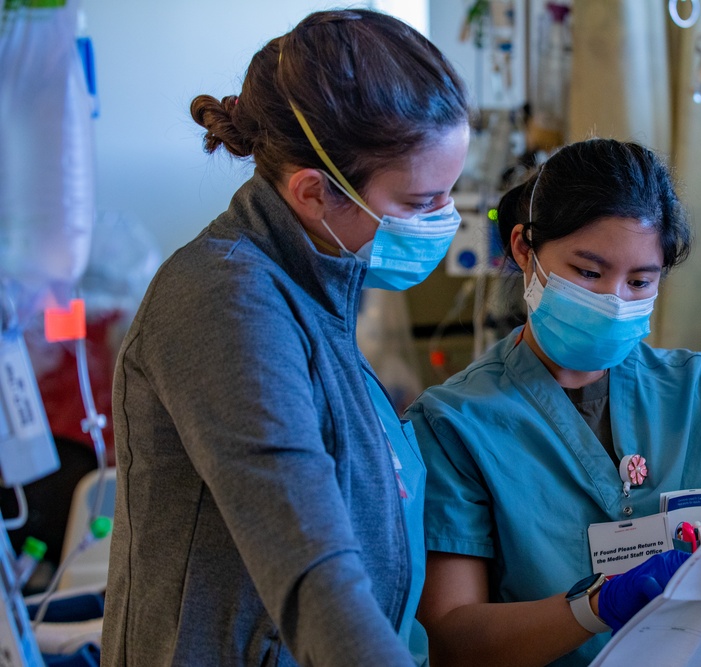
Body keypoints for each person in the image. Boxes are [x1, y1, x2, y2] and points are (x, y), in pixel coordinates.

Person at [405, 138, 701, 666]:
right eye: (588, 273)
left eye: (641, 280)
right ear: (525, 249)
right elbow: (452, 640)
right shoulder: (455, 425)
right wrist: (593, 609)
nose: (615, 300)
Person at [102, 10, 470, 666]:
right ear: (313, 192)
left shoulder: (315, 289)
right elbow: (311, 563)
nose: (443, 223)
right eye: (419, 204)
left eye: (450, 196)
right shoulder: (225, 300)